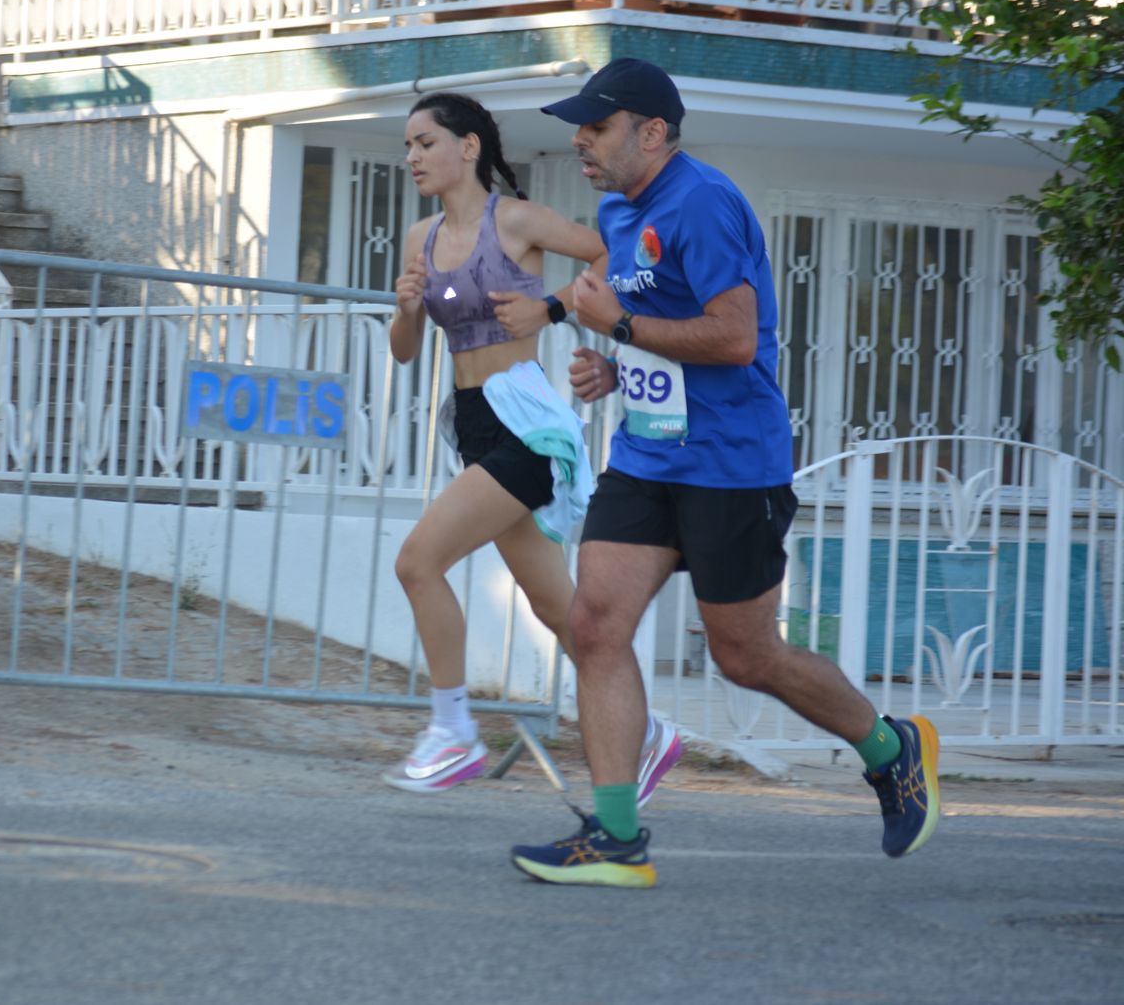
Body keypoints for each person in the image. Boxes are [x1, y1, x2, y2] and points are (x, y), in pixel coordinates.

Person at [509, 59, 941, 886]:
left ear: (653, 133)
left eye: (597, 127)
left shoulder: (704, 202)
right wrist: (613, 368)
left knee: (745, 656)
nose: (581, 140)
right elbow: (645, 319)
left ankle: (891, 749)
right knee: (595, 625)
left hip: (731, 465)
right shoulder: (618, 209)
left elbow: (735, 337)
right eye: (580, 128)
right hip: (647, 456)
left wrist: (621, 328)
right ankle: (616, 837)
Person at [382, 91, 684, 800]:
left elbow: (611, 254)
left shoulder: (514, 220)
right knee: (558, 609)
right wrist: (406, 308)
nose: (413, 157)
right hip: (474, 423)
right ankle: (647, 733)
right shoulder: (421, 237)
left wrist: (550, 308)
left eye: (426, 143)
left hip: (525, 426)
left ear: (468, 148)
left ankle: (453, 730)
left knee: (418, 561)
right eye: (408, 147)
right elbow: (404, 350)